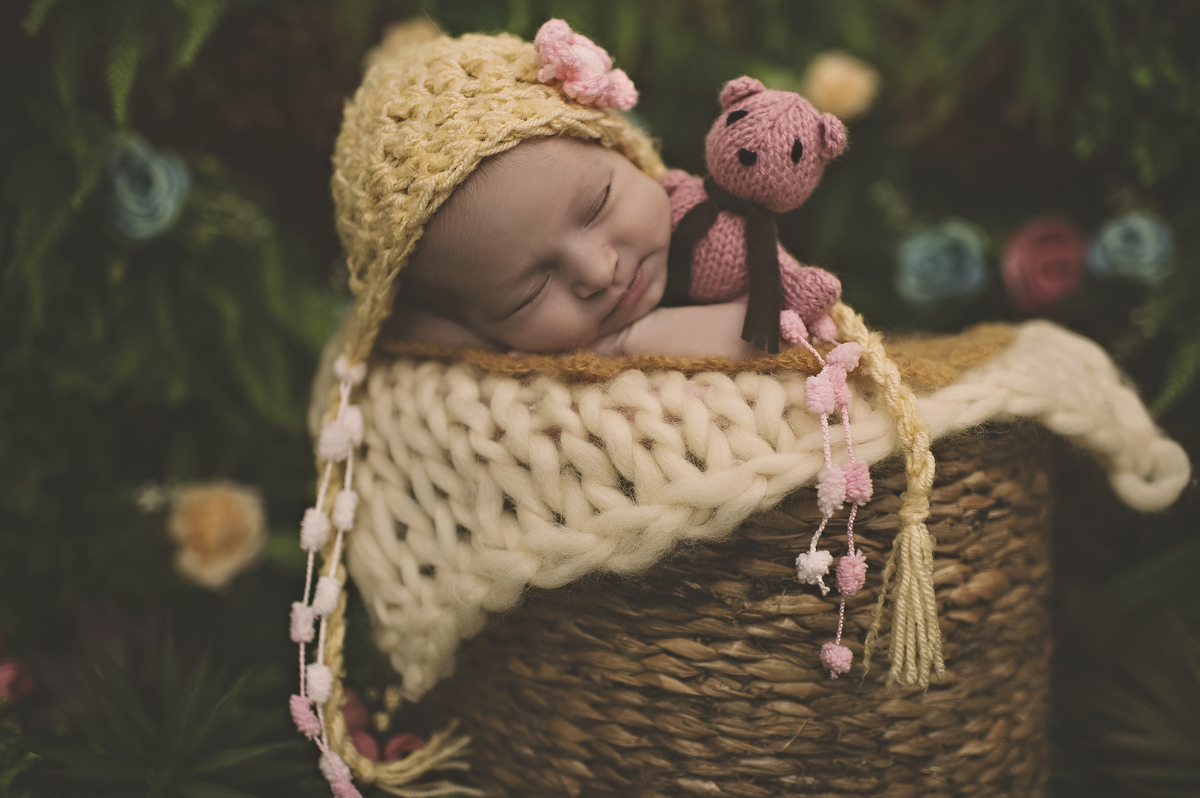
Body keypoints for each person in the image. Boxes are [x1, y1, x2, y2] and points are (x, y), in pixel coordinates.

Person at [338, 20, 761, 365]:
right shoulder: (482, 387)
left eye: (598, 206)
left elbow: (775, 329)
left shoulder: (714, 228)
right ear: (471, 328)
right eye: (530, 292)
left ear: (624, 150)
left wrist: (629, 340)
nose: (599, 272)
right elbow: (406, 337)